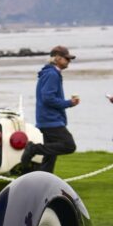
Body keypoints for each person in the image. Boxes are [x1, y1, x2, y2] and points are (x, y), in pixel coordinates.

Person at [20, 46, 80, 174]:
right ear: (57, 58)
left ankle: (43, 182)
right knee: (69, 145)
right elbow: (48, 98)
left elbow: (48, 97)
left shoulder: (50, 73)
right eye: (67, 58)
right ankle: (33, 149)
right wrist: (69, 103)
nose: (69, 61)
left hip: (46, 119)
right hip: (51, 120)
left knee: (50, 157)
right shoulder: (52, 74)